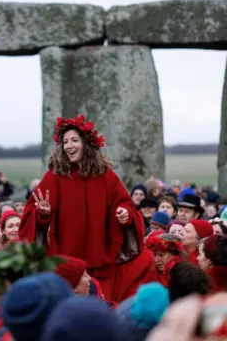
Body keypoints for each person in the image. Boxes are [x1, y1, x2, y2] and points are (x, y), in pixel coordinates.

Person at [19, 114, 151, 303]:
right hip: (66, 268)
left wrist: (125, 215)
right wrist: (43, 215)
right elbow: (31, 214)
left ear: (86, 143)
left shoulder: (106, 176)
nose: (69, 146)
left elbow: (125, 205)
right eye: (65, 142)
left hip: (99, 266)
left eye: (74, 140)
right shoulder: (54, 176)